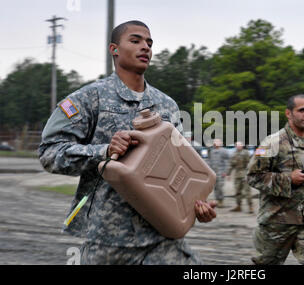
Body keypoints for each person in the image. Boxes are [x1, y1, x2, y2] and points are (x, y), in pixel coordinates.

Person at [38, 20, 217, 265]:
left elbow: (183, 167)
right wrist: (104, 151)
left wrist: (198, 206)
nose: (145, 47)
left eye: (149, 43)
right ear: (114, 49)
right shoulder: (89, 99)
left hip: (161, 239)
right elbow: (50, 153)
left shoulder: (167, 105)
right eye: (135, 41)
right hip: (108, 241)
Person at [246, 94, 304, 265]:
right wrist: (288, 179)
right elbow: (253, 176)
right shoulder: (272, 143)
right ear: (288, 113)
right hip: (277, 223)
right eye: (301, 110)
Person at [226, 141, 253, 214]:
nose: (238, 146)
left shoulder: (246, 153)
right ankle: (238, 206)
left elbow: (250, 163)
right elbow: (231, 165)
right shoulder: (233, 154)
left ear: (242, 146)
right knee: (237, 191)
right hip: (237, 175)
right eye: (237, 145)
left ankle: (250, 206)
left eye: (240, 145)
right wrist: (228, 174)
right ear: (235, 146)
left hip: (245, 174)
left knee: (247, 191)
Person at [208, 138, 229, 208]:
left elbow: (227, 162)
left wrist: (225, 172)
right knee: (215, 187)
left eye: (217, 142)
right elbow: (210, 162)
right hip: (214, 172)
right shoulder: (212, 151)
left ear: (220, 143)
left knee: (220, 187)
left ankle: (221, 200)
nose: (215, 143)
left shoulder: (224, 151)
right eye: (214, 142)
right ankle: (217, 200)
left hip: (221, 172)